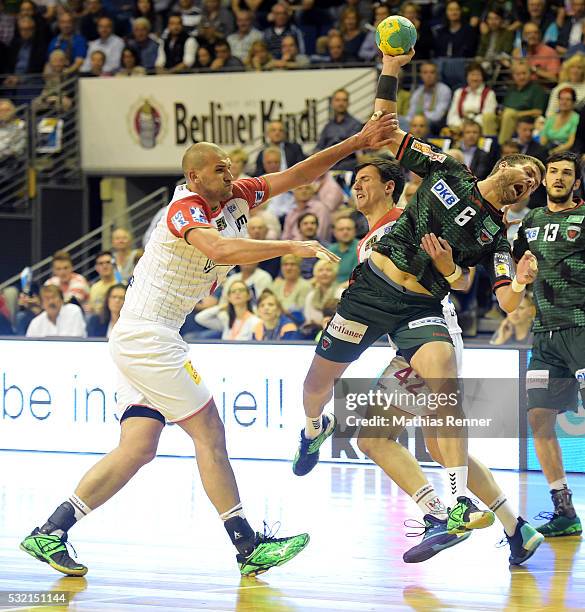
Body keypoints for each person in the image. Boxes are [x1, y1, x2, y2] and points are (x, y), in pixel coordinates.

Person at [20, 116, 396, 577]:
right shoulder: (186, 209)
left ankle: (51, 530)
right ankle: (247, 545)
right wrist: (289, 246)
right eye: (219, 169)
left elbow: (298, 175)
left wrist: (358, 142)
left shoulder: (236, 194)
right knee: (210, 433)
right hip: (147, 336)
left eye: (230, 167)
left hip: (147, 336)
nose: (230, 175)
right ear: (195, 176)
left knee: (138, 447)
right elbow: (218, 250)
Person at [293, 50, 546, 566]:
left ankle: (447, 510)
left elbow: (493, 292)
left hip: (426, 320)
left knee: (433, 431)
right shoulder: (440, 177)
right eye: (527, 175)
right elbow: (384, 131)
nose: (529, 185)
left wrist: (499, 279)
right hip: (379, 311)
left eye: (534, 187)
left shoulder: (497, 233)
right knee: (376, 433)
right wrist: (391, 65)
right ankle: (514, 528)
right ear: (505, 167)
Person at [512, 151, 584, 538]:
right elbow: (515, 271)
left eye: (566, 174)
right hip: (545, 336)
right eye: (553, 171)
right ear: (544, 180)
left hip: (582, 328)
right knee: (538, 418)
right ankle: (565, 511)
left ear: (576, 182)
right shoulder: (531, 222)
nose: (558, 178)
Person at [315, 89, 362, 171]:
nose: (341, 103)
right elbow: (319, 148)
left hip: (347, 168)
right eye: (337, 100)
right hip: (328, 168)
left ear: (348, 103)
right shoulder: (328, 126)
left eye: (344, 100)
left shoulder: (356, 124)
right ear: (332, 103)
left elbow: (356, 150)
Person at [195, 279, 260, 340]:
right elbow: (199, 318)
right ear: (229, 297)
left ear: (249, 295)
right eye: (233, 291)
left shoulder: (255, 321)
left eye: (241, 290)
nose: (237, 293)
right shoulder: (226, 319)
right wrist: (222, 306)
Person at [446, 63, 497, 136]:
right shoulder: (459, 92)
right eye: (472, 75)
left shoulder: (489, 94)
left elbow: (487, 116)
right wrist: (460, 125)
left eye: (478, 75)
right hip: (460, 127)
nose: (475, 78)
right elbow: (452, 115)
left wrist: (469, 126)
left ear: (482, 77)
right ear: (467, 77)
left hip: (480, 128)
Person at [405, 61, 452, 136]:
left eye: (432, 72)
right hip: (417, 123)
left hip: (435, 125)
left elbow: (438, 116)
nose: (428, 75)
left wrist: (421, 117)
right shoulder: (418, 92)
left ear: (437, 74)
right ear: (421, 75)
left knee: (420, 124)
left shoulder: (444, 90)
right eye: (425, 72)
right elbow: (410, 114)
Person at [540, 88, 580, 154]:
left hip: (566, 152)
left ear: (573, 102)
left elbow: (570, 143)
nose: (564, 102)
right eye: (561, 99)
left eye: (568, 99)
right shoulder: (552, 117)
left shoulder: (576, 118)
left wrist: (553, 152)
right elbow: (543, 140)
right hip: (548, 150)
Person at [328, 215, 358, 283]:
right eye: (341, 229)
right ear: (334, 232)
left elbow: (358, 278)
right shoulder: (330, 249)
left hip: (352, 289)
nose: (345, 232)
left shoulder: (360, 248)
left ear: (355, 231)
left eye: (348, 229)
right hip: (332, 288)